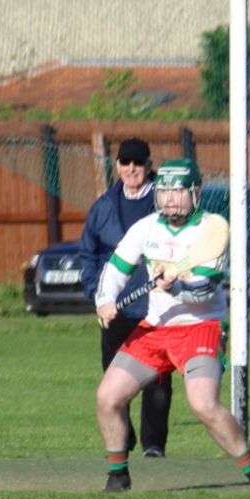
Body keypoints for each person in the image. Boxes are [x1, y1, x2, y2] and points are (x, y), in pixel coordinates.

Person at [94, 158, 250, 494]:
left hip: (200, 326)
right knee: (108, 397)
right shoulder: (146, 228)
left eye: (178, 192)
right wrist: (105, 300)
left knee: (203, 403)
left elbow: (204, 290)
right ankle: (118, 475)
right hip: (155, 328)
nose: (170, 199)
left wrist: (175, 286)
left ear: (196, 192)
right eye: (164, 192)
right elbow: (116, 267)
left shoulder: (212, 229)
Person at [80, 137, 173, 459]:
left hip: (155, 308)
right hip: (116, 310)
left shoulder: (164, 204)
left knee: (157, 379)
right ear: (117, 166)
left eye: (137, 162)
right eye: (125, 162)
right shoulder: (103, 206)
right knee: (114, 379)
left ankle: (153, 445)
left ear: (149, 166)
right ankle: (125, 437)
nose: (131, 168)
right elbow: (89, 253)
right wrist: (96, 292)